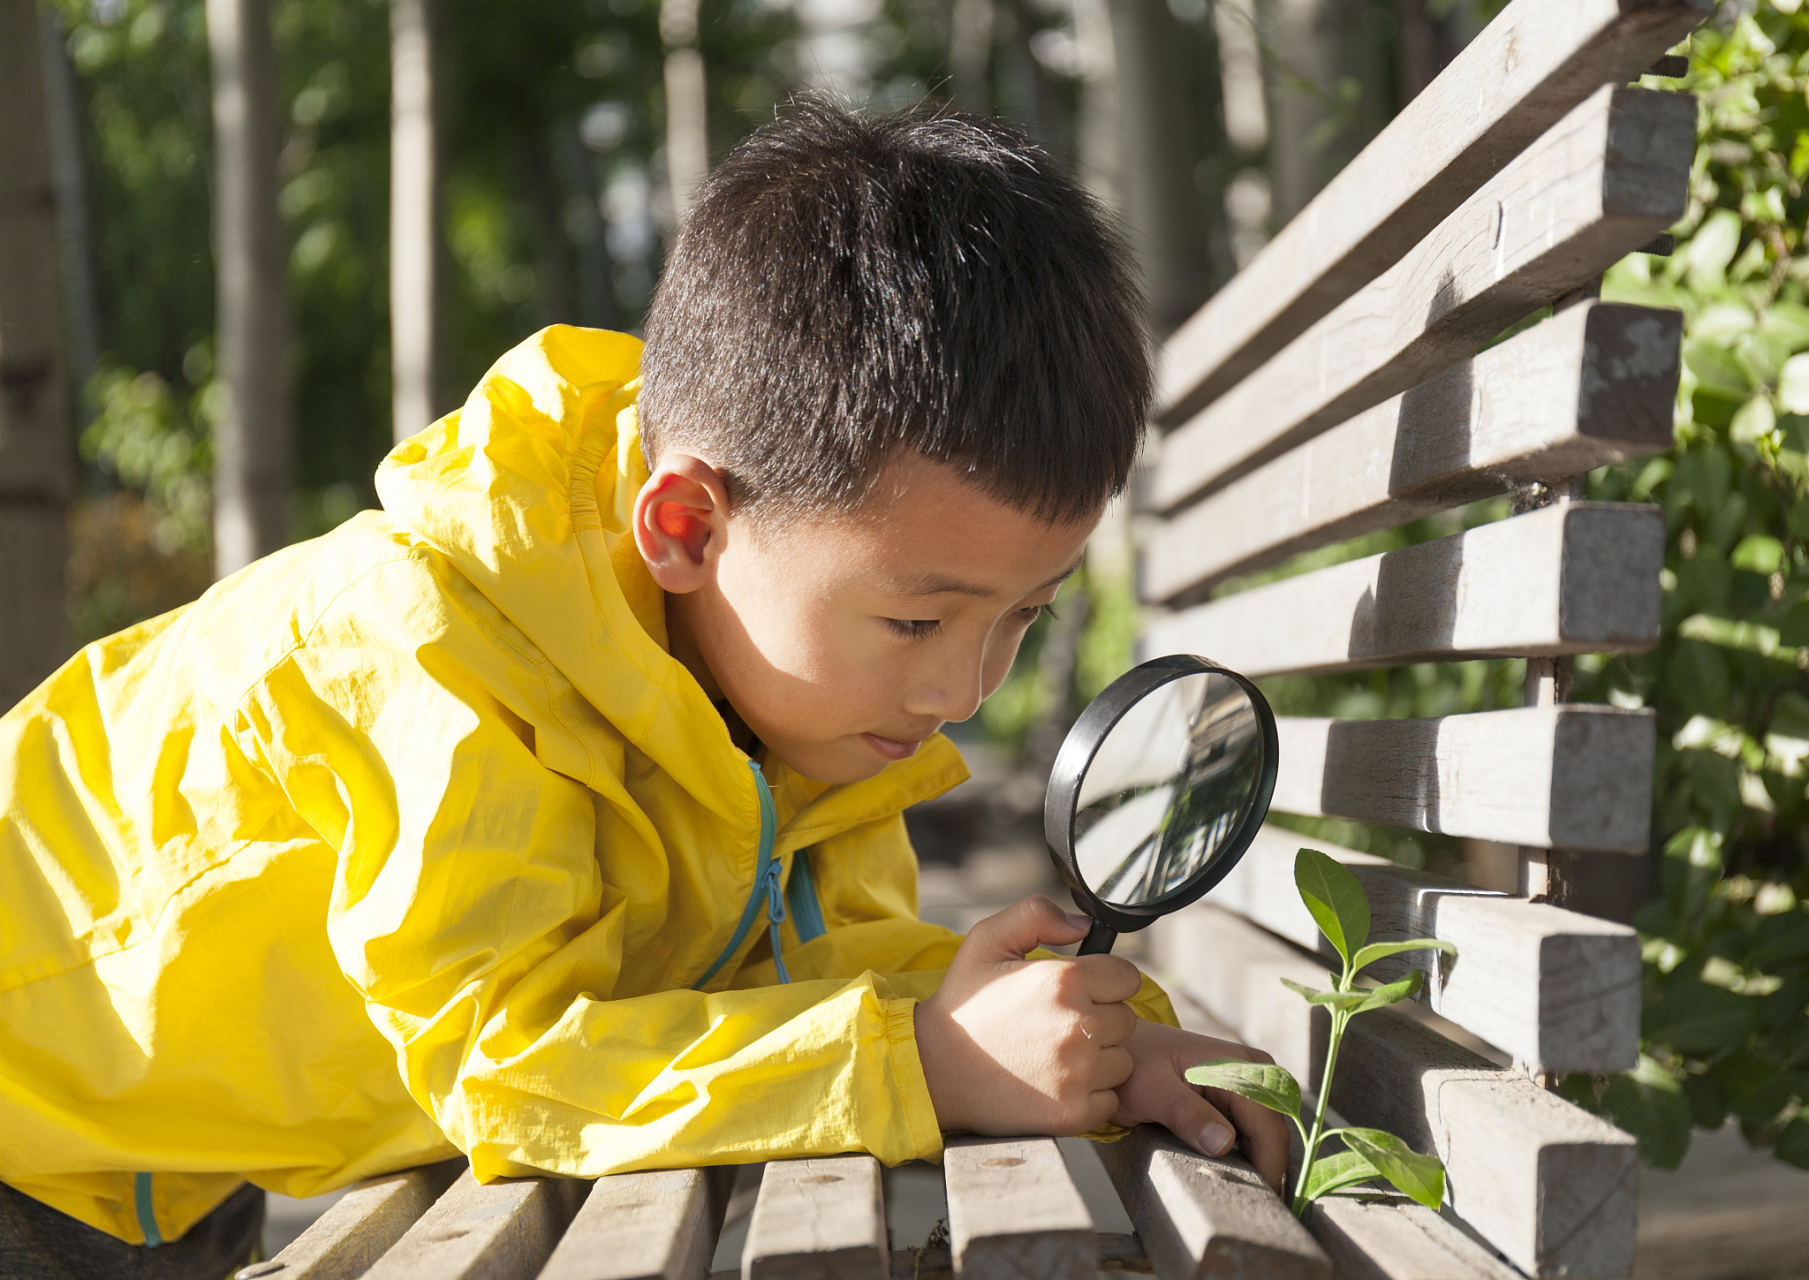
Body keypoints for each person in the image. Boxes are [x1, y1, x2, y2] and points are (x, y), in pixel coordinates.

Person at [0, 98, 1284, 1276]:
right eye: (915, 617)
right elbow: (513, 1066)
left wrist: (1105, 1041)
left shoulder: (800, 692)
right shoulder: (437, 655)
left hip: (177, 1134)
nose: (961, 684)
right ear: (685, 525)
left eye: (1026, 616)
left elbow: (801, 969)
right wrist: (926, 1057)